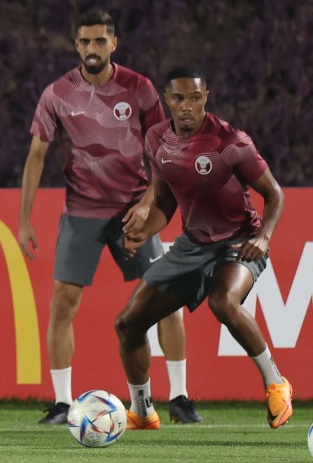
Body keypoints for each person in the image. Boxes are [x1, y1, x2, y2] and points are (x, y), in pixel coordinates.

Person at [17, 9, 198, 426]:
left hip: (134, 209)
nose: (92, 49)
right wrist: (24, 220)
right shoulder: (58, 93)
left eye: (100, 41)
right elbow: (36, 156)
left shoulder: (139, 88)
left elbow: (163, 150)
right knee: (63, 302)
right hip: (81, 211)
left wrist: (150, 202)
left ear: (113, 44)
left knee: (166, 299)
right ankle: (63, 404)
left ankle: (181, 398)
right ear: (75, 45)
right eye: (85, 42)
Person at [117, 67, 292, 429]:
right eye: (179, 98)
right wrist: (144, 229)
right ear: (167, 100)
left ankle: (276, 382)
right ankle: (142, 410)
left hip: (240, 241)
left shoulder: (231, 142)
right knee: (128, 323)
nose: (186, 106)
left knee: (223, 302)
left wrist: (264, 238)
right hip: (192, 246)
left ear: (205, 97)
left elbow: (275, 194)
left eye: (194, 98)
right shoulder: (155, 140)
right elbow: (165, 203)